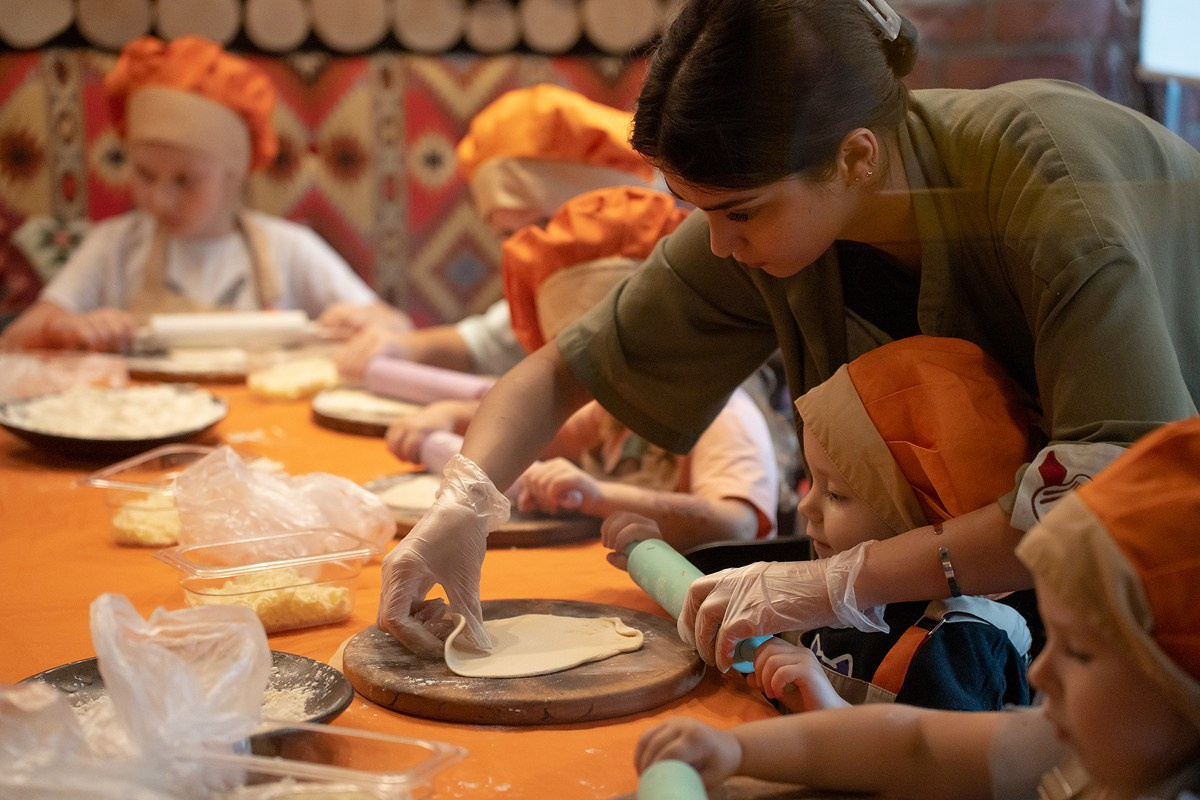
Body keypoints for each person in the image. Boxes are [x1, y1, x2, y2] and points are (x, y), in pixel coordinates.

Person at [374, 0, 1200, 661]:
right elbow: (563, 373)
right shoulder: (780, 210)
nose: (719, 245)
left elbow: (1105, 492)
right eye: (700, 213)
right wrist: (466, 504)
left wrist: (840, 582)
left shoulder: (1055, 188)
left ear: (857, 158)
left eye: (738, 214)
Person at [634, 415, 1200, 800]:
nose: (1040, 672)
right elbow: (910, 743)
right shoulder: (1056, 751)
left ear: (1183, 690)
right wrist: (734, 748)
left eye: (1079, 653)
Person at [609, 336, 1038, 713]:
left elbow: (944, 772)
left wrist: (831, 714)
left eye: (835, 494)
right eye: (812, 482)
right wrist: (650, 553)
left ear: (923, 518)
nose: (805, 505)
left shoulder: (960, 639)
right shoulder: (822, 586)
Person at [386, 186, 780, 550]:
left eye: (610, 350)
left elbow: (737, 524)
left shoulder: (726, 414)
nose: (598, 372)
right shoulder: (611, 407)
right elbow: (547, 428)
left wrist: (597, 496)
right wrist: (450, 417)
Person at [0, 36, 395, 354]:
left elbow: (396, 327)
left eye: (185, 180)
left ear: (235, 173)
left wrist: (364, 323)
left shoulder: (290, 249)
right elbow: (17, 338)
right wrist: (66, 328)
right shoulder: (114, 249)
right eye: (144, 174)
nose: (160, 198)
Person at [333, 83, 660, 380]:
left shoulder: (670, 288)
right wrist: (402, 348)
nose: (529, 250)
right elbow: (487, 343)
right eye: (508, 235)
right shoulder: (551, 289)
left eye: (546, 225)